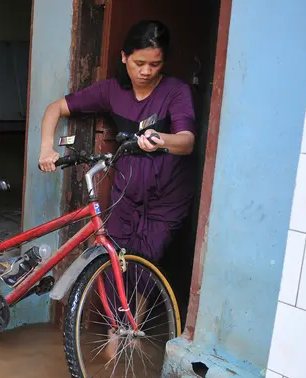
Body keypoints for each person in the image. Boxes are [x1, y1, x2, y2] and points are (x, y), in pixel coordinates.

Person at [38, 20, 196, 358]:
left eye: (155, 64)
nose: (147, 71)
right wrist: (45, 148)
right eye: (140, 63)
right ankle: (116, 337)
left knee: (144, 260)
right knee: (115, 259)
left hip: (166, 197)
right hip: (127, 192)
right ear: (125, 57)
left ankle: (128, 334)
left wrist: (161, 139)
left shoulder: (176, 92)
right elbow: (56, 108)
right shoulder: (112, 91)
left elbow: (186, 142)